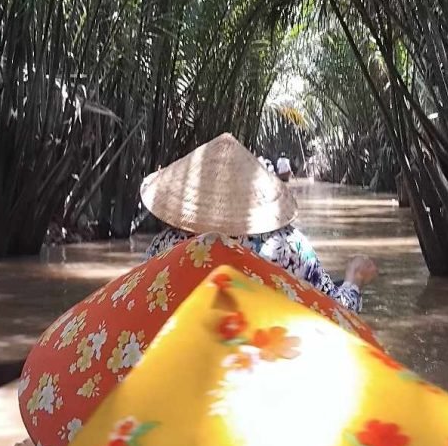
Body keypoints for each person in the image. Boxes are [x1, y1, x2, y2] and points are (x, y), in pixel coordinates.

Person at [140, 133, 377, 313]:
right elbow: (336, 313)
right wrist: (353, 279)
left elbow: (146, 309)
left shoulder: (163, 247)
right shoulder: (290, 247)